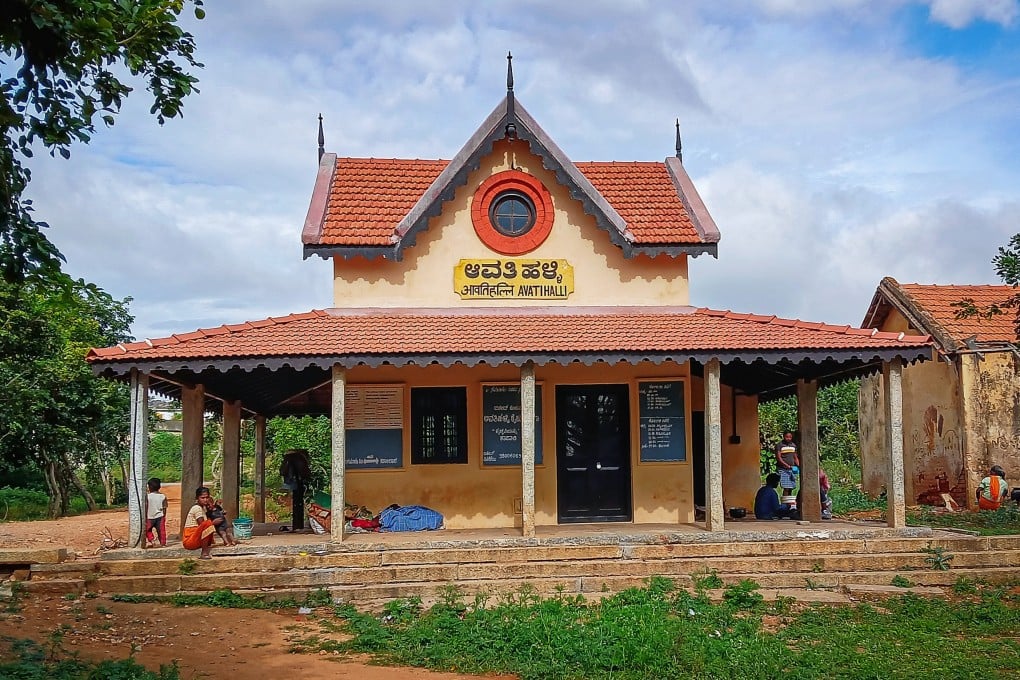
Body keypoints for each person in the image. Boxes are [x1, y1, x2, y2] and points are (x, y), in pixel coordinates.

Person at [182, 486, 217, 559]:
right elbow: (202, 525)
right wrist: (214, 523)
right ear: (197, 498)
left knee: (209, 522)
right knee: (208, 523)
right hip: (189, 541)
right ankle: (204, 553)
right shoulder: (197, 508)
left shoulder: (203, 508)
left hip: (195, 539)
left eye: (207, 498)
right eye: (202, 498)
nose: (205, 500)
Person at [144, 477, 168, 548]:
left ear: (149, 487)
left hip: (149, 516)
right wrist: (164, 516)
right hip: (160, 516)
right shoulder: (163, 496)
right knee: (161, 531)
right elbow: (164, 507)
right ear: (159, 487)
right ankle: (163, 543)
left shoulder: (147, 497)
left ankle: (152, 540)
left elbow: (145, 507)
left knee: (147, 530)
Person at [774, 431, 800, 496]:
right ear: (783, 436)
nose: (788, 438)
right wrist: (787, 465)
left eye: (790, 437)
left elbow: (795, 457)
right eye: (787, 437)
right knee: (786, 487)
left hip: (792, 469)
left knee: (791, 487)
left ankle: (789, 500)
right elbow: (779, 458)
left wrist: (798, 465)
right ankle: (785, 501)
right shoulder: (779, 445)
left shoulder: (793, 445)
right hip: (783, 469)